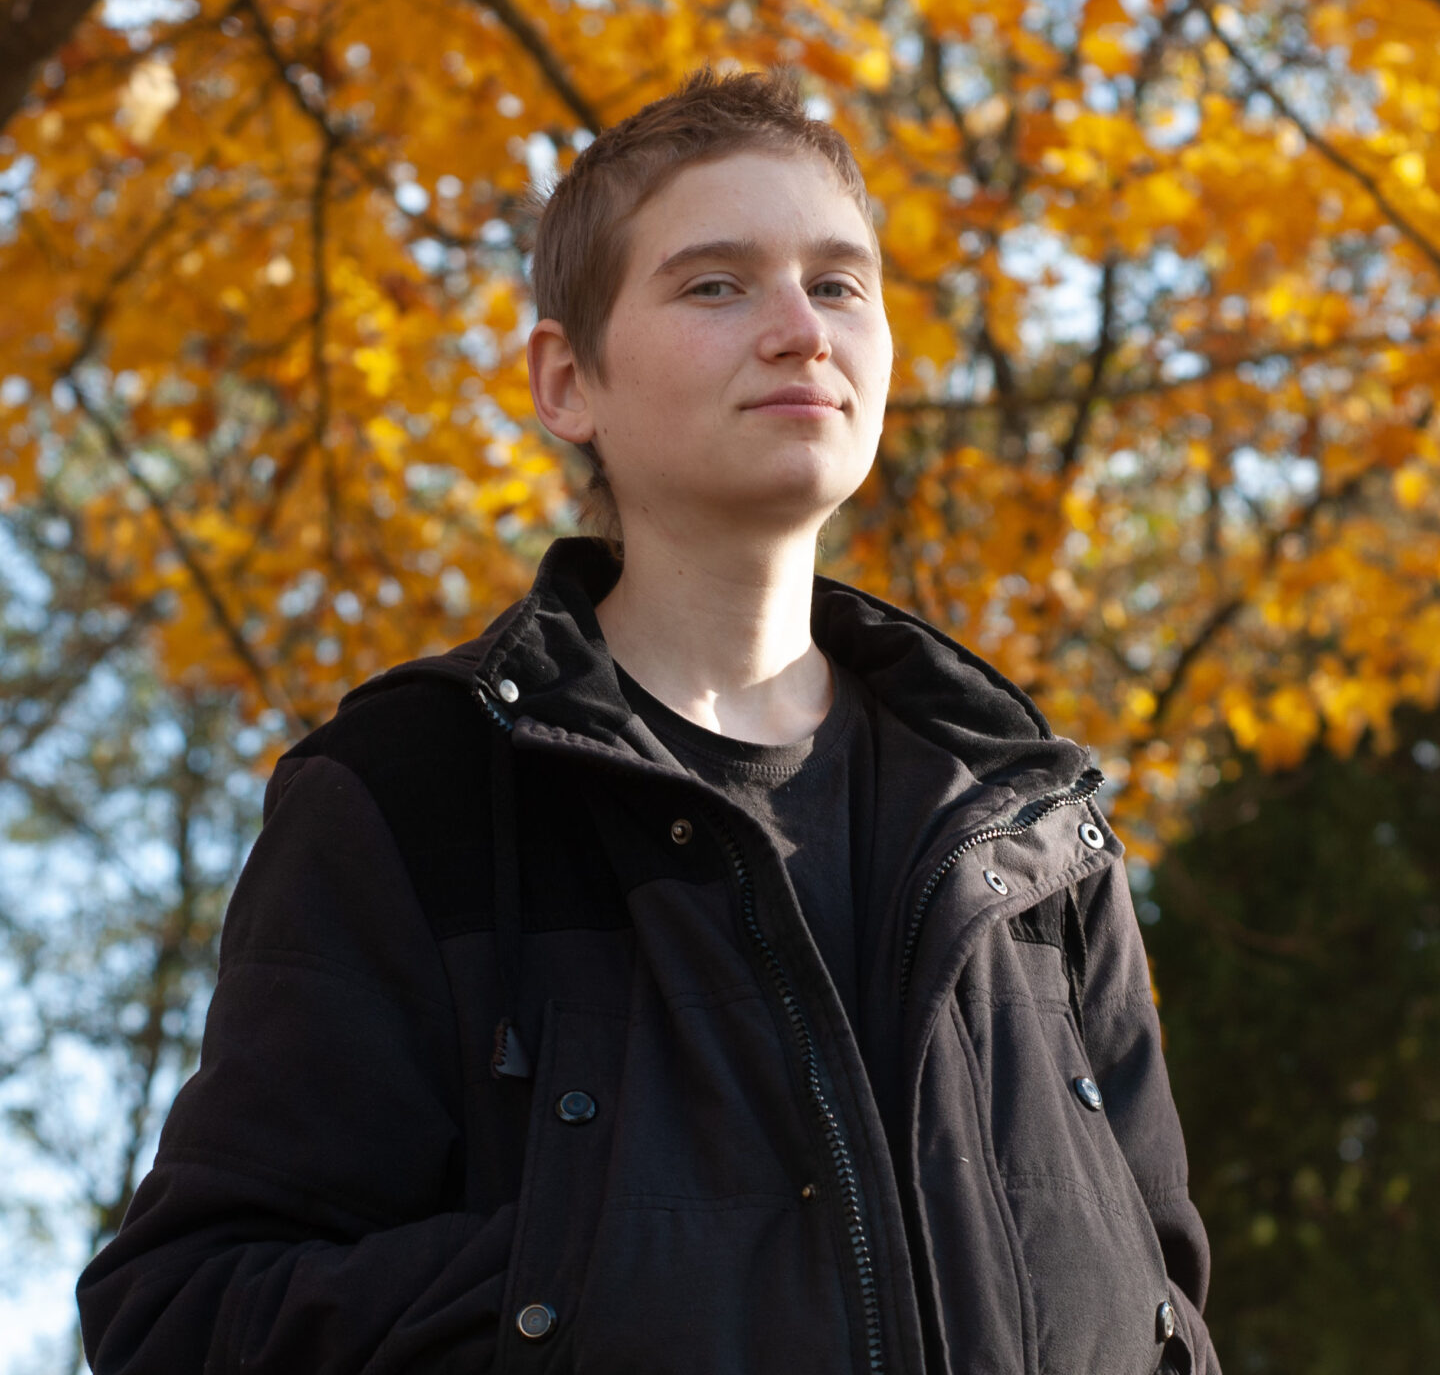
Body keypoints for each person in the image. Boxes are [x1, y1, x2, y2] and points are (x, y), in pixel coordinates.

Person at [77, 68, 1218, 1375]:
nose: (802, 329)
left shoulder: (1030, 830)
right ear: (569, 380)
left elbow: (1165, 1308)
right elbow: (187, 1318)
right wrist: (592, 1294)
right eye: (715, 284)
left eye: (840, 283)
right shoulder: (412, 792)